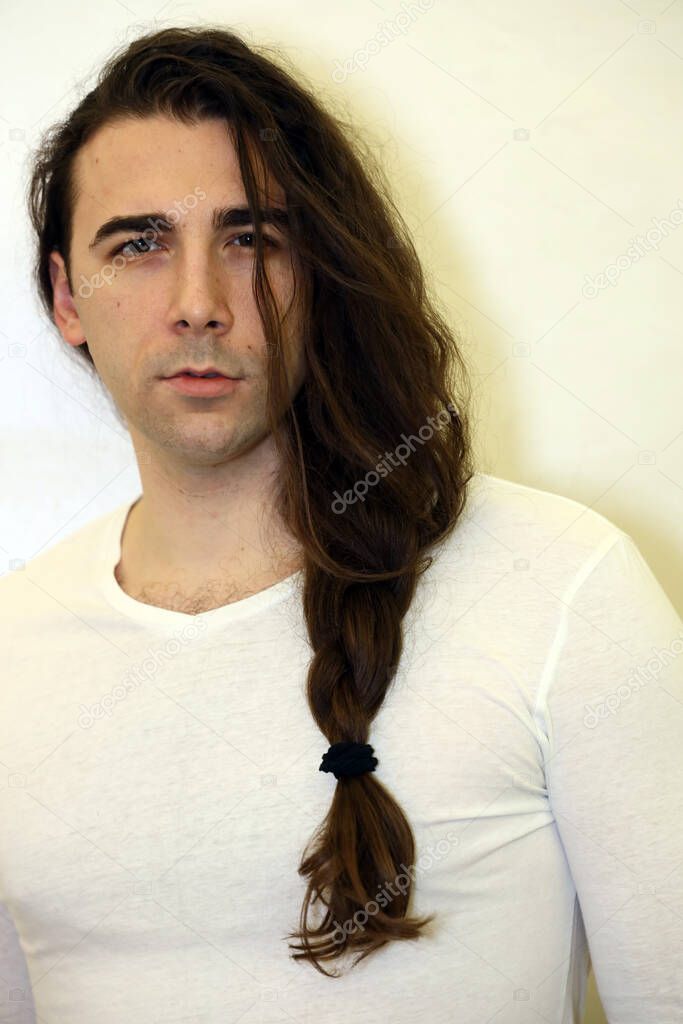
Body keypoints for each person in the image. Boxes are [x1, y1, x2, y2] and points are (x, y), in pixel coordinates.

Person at [0, 24, 680, 1024]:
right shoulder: (13, 651)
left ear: (318, 273)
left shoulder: (559, 589)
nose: (199, 303)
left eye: (252, 240)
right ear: (68, 297)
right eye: (138, 244)